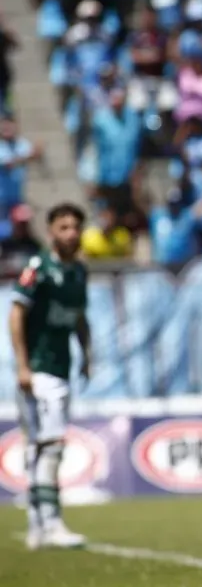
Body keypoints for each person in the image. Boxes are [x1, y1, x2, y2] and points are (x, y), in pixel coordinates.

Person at [10, 202, 91, 550]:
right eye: (63, 227)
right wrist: (23, 365)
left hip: (62, 368)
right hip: (41, 370)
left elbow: (79, 317)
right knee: (51, 446)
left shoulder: (79, 273)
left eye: (75, 227)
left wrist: (87, 354)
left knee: (40, 447)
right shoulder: (37, 267)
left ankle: (37, 524)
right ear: (51, 231)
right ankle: (52, 523)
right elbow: (16, 315)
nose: (70, 233)